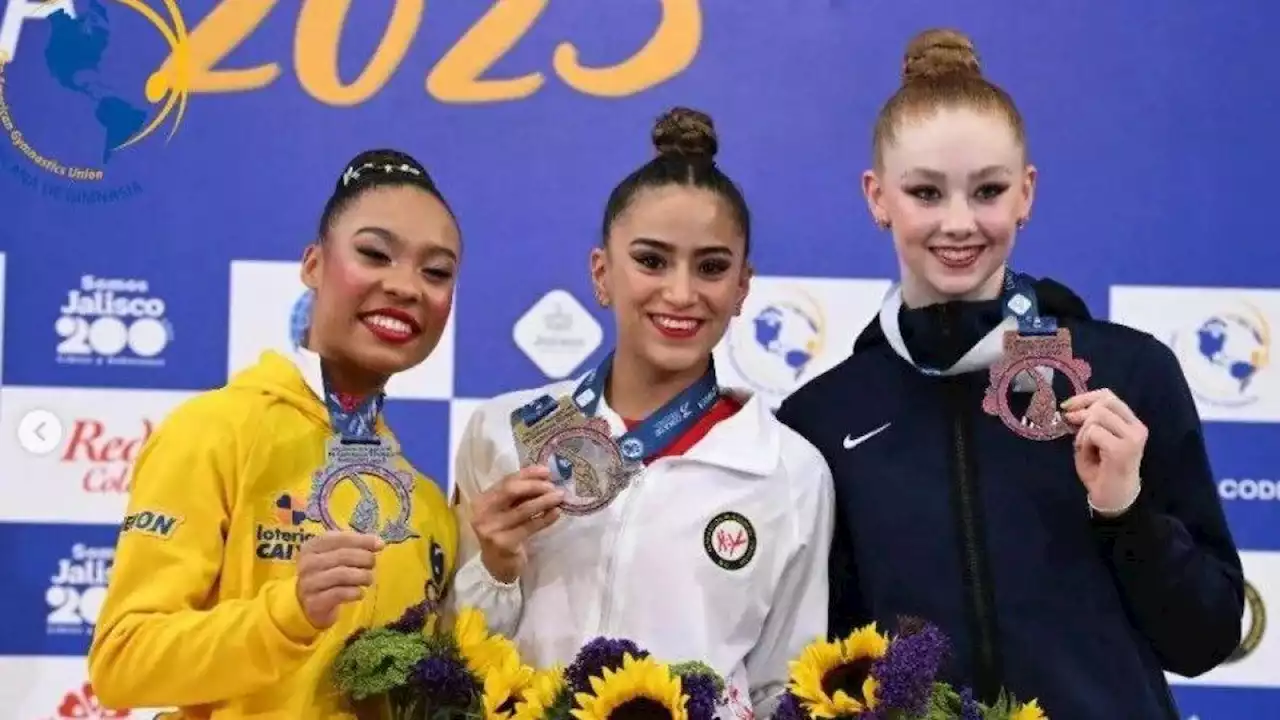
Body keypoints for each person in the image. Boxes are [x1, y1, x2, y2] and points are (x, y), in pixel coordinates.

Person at [776, 28, 1244, 720]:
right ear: (878, 198)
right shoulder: (825, 417)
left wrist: (1125, 511)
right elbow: (824, 664)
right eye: (926, 193)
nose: (959, 223)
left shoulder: (1125, 373)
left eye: (988, 191)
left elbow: (1205, 637)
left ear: (1026, 193)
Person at [449, 107, 835, 718]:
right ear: (601, 274)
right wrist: (494, 567)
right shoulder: (503, 431)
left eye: (711, 267)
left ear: (742, 288)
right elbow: (456, 660)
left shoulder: (791, 472)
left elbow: (779, 689)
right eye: (651, 261)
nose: (681, 293)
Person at [88, 149, 463, 719]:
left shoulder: (427, 503)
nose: (407, 286)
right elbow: (123, 662)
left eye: (436, 271)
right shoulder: (216, 432)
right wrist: (287, 614)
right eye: (374, 253)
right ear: (313, 265)